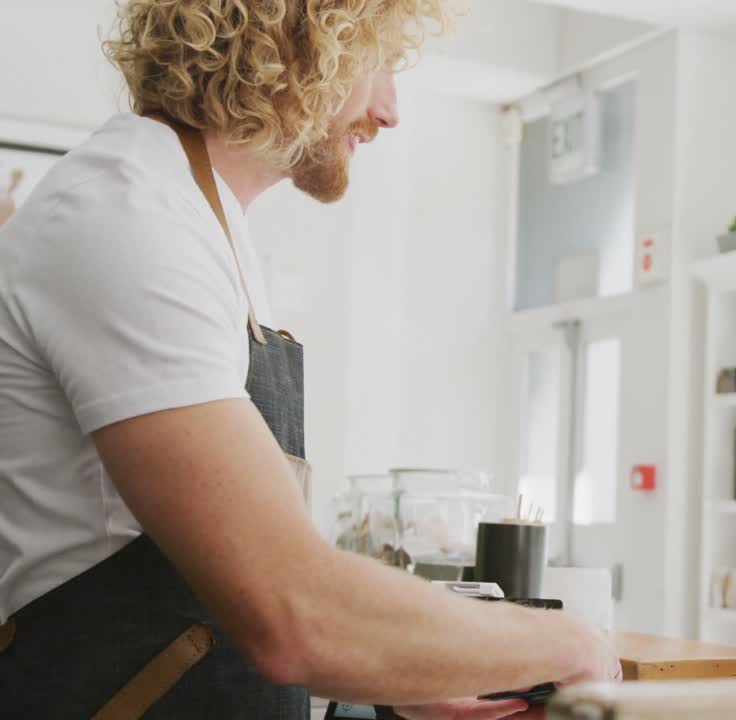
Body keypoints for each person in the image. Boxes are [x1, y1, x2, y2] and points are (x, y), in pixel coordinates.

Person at [0, 1, 616, 718]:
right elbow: (292, 610)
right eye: (379, 62)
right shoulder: (129, 221)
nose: (389, 111)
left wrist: (400, 668)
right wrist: (571, 643)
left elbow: (216, 595)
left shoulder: (193, 218)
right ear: (300, 44)